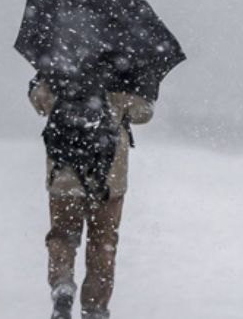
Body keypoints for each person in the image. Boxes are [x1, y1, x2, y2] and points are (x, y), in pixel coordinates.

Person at [29, 73, 155, 319]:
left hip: (64, 175)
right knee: (103, 243)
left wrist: (38, 83)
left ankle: (62, 283)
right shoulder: (121, 73)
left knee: (62, 235)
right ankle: (95, 308)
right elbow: (144, 113)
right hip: (108, 179)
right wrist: (141, 90)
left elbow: (39, 102)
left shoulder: (59, 67)